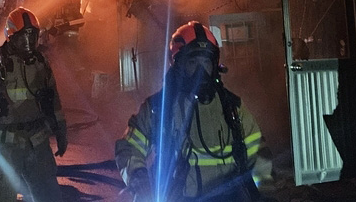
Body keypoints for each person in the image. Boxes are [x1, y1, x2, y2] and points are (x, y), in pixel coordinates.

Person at [115, 21, 272, 202]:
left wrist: (265, 192)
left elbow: (258, 152)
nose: (201, 71)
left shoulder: (233, 107)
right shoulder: (159, 108)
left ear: (215, 65)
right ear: (178, 65)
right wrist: (139, 178)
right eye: (192, 62)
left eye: (206, 62)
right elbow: (129, 147)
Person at [0, 7, 67, 202]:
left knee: (49, 193)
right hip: (6, 143)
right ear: (11, 36)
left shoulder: (41, 63)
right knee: (4, 194)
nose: (28, 42)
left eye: (32, 36)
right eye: (23, 37)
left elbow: (53, 99)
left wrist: (61, 130)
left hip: (37, 141)